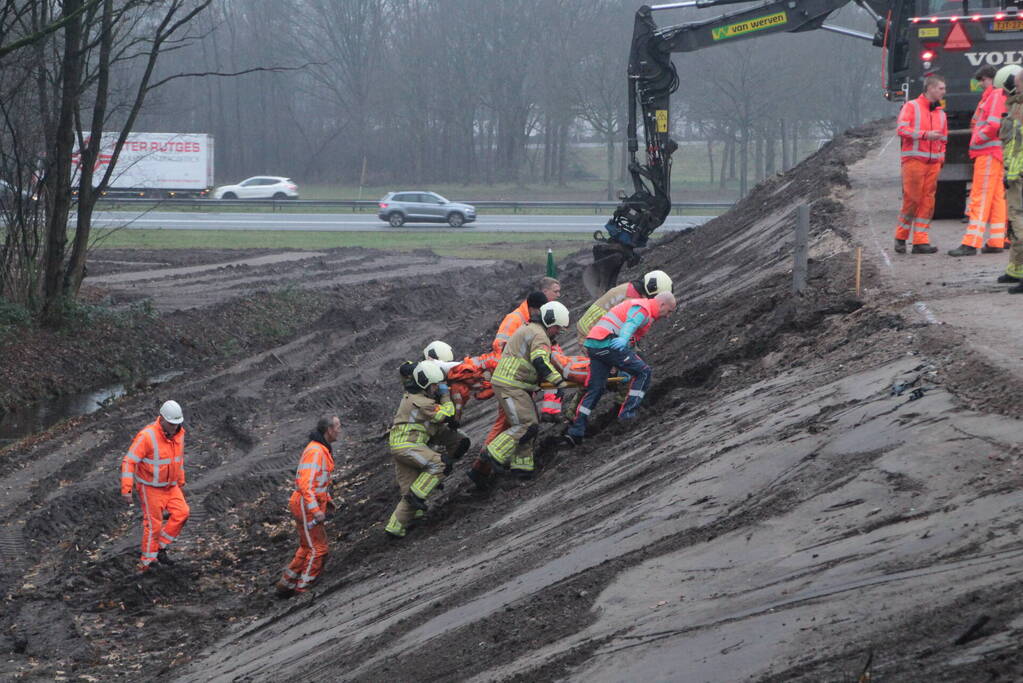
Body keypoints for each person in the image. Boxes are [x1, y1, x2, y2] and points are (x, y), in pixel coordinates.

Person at [562, 292, 677, 447]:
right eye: (669, 311)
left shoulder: (639, 305)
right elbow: (631, 324)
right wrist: (623, 339)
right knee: (644, 372)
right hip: (608, 343)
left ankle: (576, 431)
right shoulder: (644, 308)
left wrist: (623, 358)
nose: (668, 316)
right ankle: (627, 415)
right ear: (662, 304)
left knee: (596, 388)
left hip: (594, 345)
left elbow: (630, 337)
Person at [482, 301, 569, 478]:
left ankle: (522, 467)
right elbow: (540, 360)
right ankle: (493, 453)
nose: (558, 332)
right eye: (557, 328)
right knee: (527, 424)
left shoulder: (531, 329)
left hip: (512, 383)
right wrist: (558, 382)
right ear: (550, 322)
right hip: (511, 384)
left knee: (529, 424)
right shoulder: (539, 335)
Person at [384, 360, 468, 539]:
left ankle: (395, 528)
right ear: (425, 384)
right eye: (435, 385)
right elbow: (446, 414)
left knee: (409, 490)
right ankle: (420, 493)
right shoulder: (423, 402)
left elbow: (407, 368)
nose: (437, 388)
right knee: (439, 465)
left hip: (402, 444)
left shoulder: (413, 393)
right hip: (408, 445)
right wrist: (445, 395)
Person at [120, 400, 190, 573]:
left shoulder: (179, 434)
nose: (174, 427)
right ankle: (148, 562)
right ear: (162, 419)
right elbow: (129, 461)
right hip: (150, 488)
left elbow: (178, 459)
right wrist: (126, 488)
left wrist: (180, 480)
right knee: (153, 526)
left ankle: (160, 547)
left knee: (182, 513)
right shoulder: (147, 436)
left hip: (171, 486)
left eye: (177, 424)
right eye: (171, 424)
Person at [275, 415, 341, 597]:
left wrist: (327, 501)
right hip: (306, 505)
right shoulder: (317, 452)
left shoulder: (320, 449)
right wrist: (315, 510)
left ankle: (286, 584)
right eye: (337, 427)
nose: (339, 430)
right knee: (318, 548)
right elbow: (306, 485)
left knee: (306, 546)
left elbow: (319, 482)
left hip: (306, 503)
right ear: (329, 430)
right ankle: (303, 586)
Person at [950, 66, 1009, 256]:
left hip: (988, 153)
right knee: (997, 198)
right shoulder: (1000, 96)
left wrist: (977, 139)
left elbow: (993, 124)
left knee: (980, 197)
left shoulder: (995, 96)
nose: (981, 84)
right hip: (996, 153)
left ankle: (971, 243)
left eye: (983, 80)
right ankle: (996, 240)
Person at [893, 74, 947, 255]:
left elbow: (943, 139)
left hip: (933, 164)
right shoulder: (912, 106)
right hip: (914, 161)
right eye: (940, 88)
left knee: (927, 202)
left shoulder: (940, 113)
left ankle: (921, 241)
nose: (944, 92)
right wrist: (924, 135)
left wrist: (940, 160)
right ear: (930, 88)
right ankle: (901, 237)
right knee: (912, 200)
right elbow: (901, 129)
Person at [576, 270, 674, 345]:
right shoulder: (633, 300)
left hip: (590, 329)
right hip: (591, 336)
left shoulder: (631, 288)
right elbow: (626, 332)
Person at [995, 64, 1023, 293]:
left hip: (1018, 175)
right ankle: (1016, 269)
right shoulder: (1015, 107)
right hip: (1014, 175)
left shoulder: (1019, 110)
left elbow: (1016, 146)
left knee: (1019, 222)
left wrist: (1013, 173)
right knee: (1015, 223)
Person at [491, 278, 560, 354]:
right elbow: (500, 346)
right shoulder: (515, 318)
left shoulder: (542, 317)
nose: (558, 295)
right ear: (545, 292)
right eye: (555, 292)